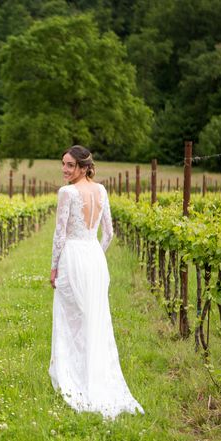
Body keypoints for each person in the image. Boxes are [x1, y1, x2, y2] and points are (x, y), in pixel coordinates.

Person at [49, 145, 143, 419]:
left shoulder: (66, 193)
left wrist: (54, 267)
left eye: (69, 165)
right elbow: (110, 233)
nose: (64, 169)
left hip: (73, 257)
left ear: (82, 167)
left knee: (71, 318)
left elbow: (59, 236)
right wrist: (95, 255)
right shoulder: (101, 191)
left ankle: (73, 376)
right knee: (94, 318)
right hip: (94, 258)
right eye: (63, 164)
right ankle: (93, 373)